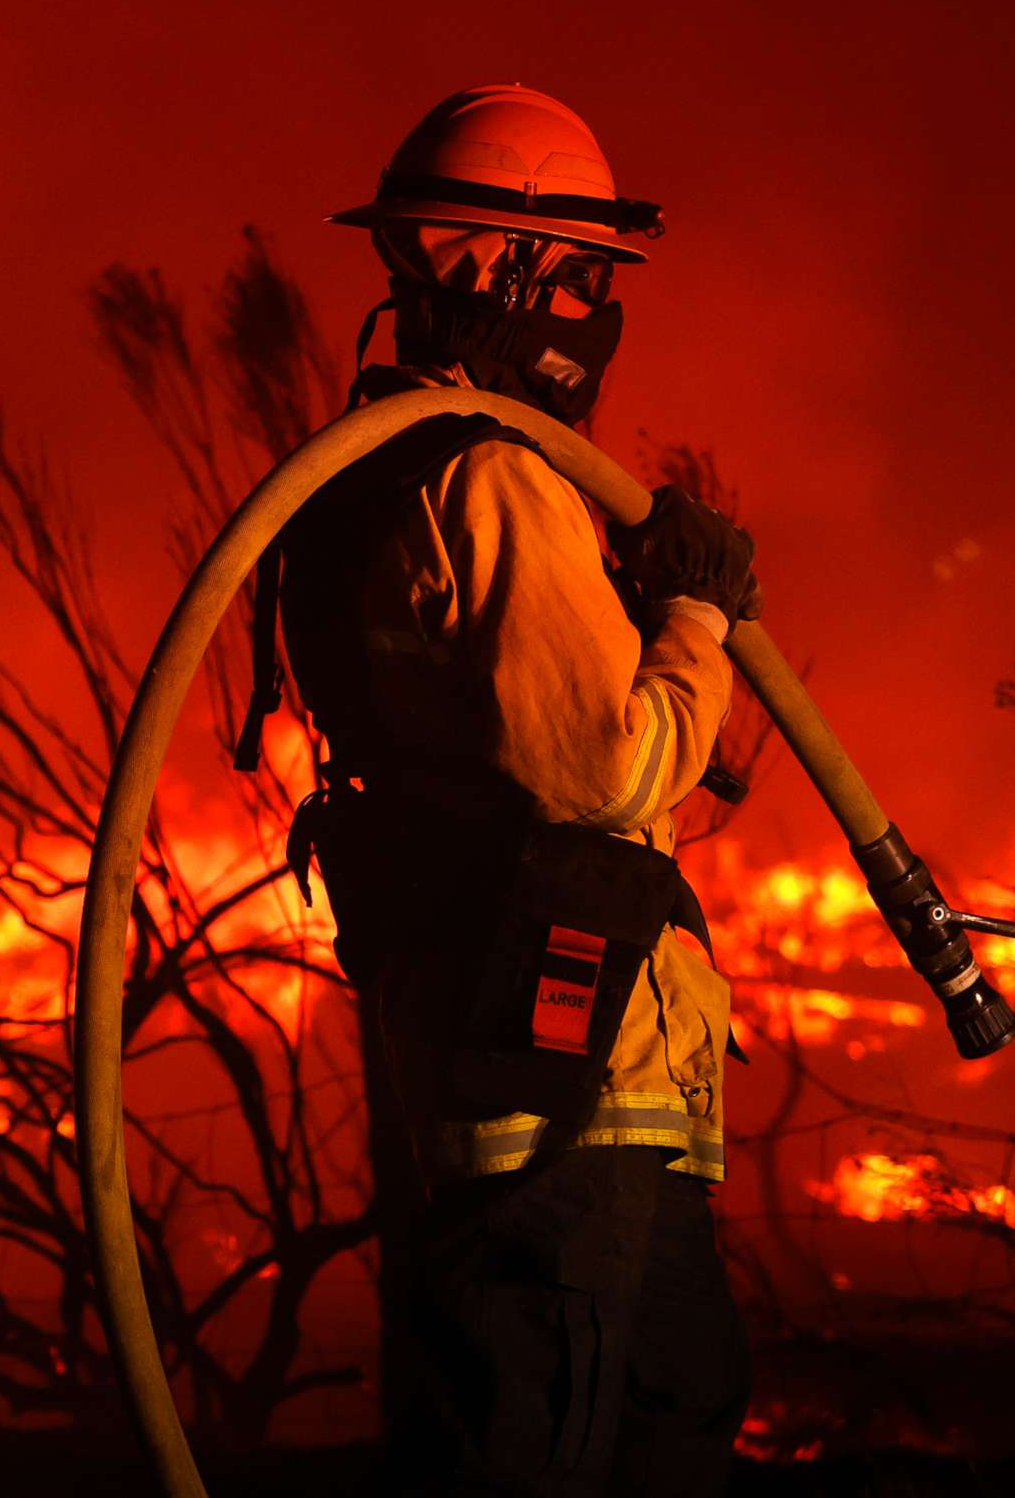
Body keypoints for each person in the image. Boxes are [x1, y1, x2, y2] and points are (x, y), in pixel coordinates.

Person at [262, 84, 757, 1495]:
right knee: (547, 1443)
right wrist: (699, 624)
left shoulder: (388, 468)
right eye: (585, 275)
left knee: (663, 1411)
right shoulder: (492, 481)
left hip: (556, 1086)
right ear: (495, 264)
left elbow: (685, 749)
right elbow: (608, 769)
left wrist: (677, 620)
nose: (599, 312)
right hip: (569, 1102)